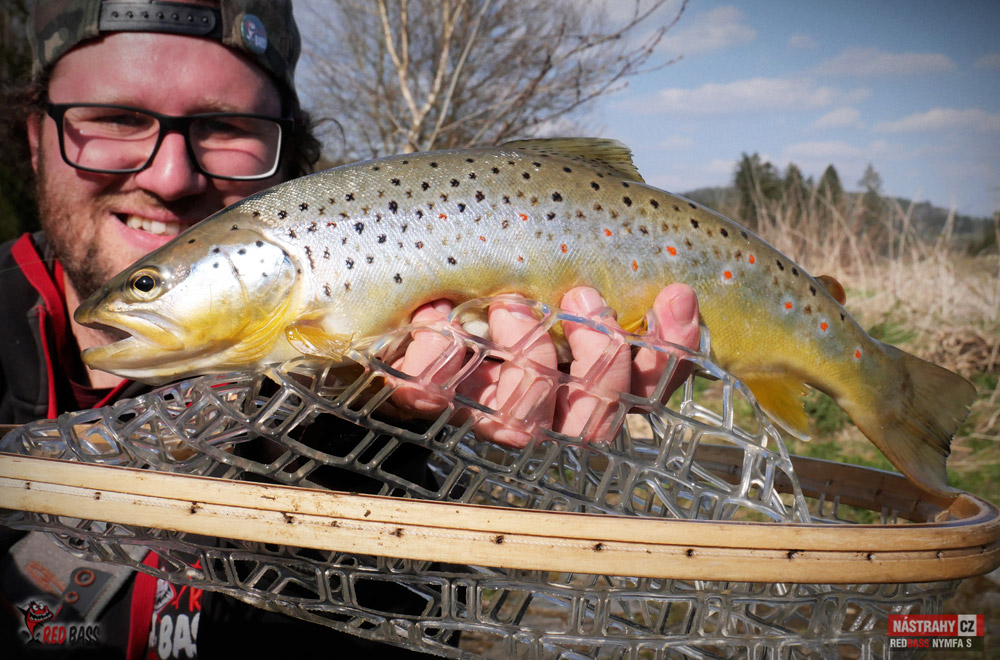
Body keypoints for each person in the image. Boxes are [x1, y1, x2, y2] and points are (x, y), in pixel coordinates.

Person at [0, 1, 700, 657]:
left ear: (289, 152)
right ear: (35, 139)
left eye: (226, 127)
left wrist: (363, 434)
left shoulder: (378, 382)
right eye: (117, 118)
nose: (171, 175)